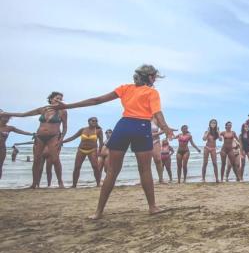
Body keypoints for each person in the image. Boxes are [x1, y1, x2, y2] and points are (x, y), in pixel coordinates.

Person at [44, 64, 174, 219]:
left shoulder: (125, 88)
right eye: (154, 77)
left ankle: (98, 212)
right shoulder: (151, 92)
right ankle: (152, 207)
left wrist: (67, 106)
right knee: (145, 169)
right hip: (141, 127)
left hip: (123, 126)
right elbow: (157, 113)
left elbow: (96, 100)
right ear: (150, 77)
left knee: (112, 171)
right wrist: (166, 128)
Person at [2, 92, 67, 188]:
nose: (59, 100)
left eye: (61, 99)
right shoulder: (43, 109)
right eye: (57, 98)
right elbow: (24, 114)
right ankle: (34, 184)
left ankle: (60, 183)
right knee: (36, 160)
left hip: (53, 136)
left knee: (55, 159)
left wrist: (61, 139)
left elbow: (65, 127)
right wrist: (6, 113)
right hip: (39, 136)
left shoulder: (63, 111)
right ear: (51, 99)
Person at [62, 117, 104, 187]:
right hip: (81, 149)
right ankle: (74, 185)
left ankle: (98, 184)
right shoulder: (83, 129)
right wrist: (62, 141)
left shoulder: (98, 131)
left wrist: (100, 151)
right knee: (77, 167)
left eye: (96, 121)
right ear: (89, 122)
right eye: (93, 121)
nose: (94, 122)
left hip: (92, 150)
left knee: (95, 166)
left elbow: (101, 142)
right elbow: (73, 137)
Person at [0, 113, 34, 179]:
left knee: (0, 166)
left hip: (2, 149)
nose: (6, 119)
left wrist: (32, 134)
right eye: (4, 117)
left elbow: (21, 131)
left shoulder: (9, 128)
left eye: (8, 118)